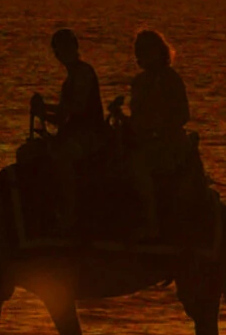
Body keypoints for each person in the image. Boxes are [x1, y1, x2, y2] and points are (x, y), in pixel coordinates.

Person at [31, 28, 110, 232]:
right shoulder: (69, 79)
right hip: (74, 133)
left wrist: (46, 107)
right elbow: (62, 118)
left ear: (74, 48)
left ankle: (71, 213)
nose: (59, 53)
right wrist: (42, 112)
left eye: (62, 48)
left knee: (62, 158)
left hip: (90, 135)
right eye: (56, 50)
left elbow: (79, 108)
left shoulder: (84, 72)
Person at [123, 28, 195, 238]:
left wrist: (157, 129)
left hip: (169, 143)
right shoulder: (139, 83)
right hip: (145, 141)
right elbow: (137, 118)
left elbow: (182, 115)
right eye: (137, 52)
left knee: (137, 166)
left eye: (144, 51)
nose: (139, 57)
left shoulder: (171, 80)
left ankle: (151, 222)